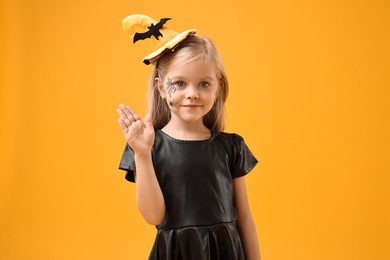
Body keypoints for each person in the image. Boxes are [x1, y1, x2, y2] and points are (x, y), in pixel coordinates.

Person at [117, 14, 261, 259]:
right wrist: (142, 154)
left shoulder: (232, 147)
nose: (192, 94)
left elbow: (245, 216)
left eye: (204, 84)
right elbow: (154, 216)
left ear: (219, 87)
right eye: (180, 84)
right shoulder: (148, 147)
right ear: (162, 88)